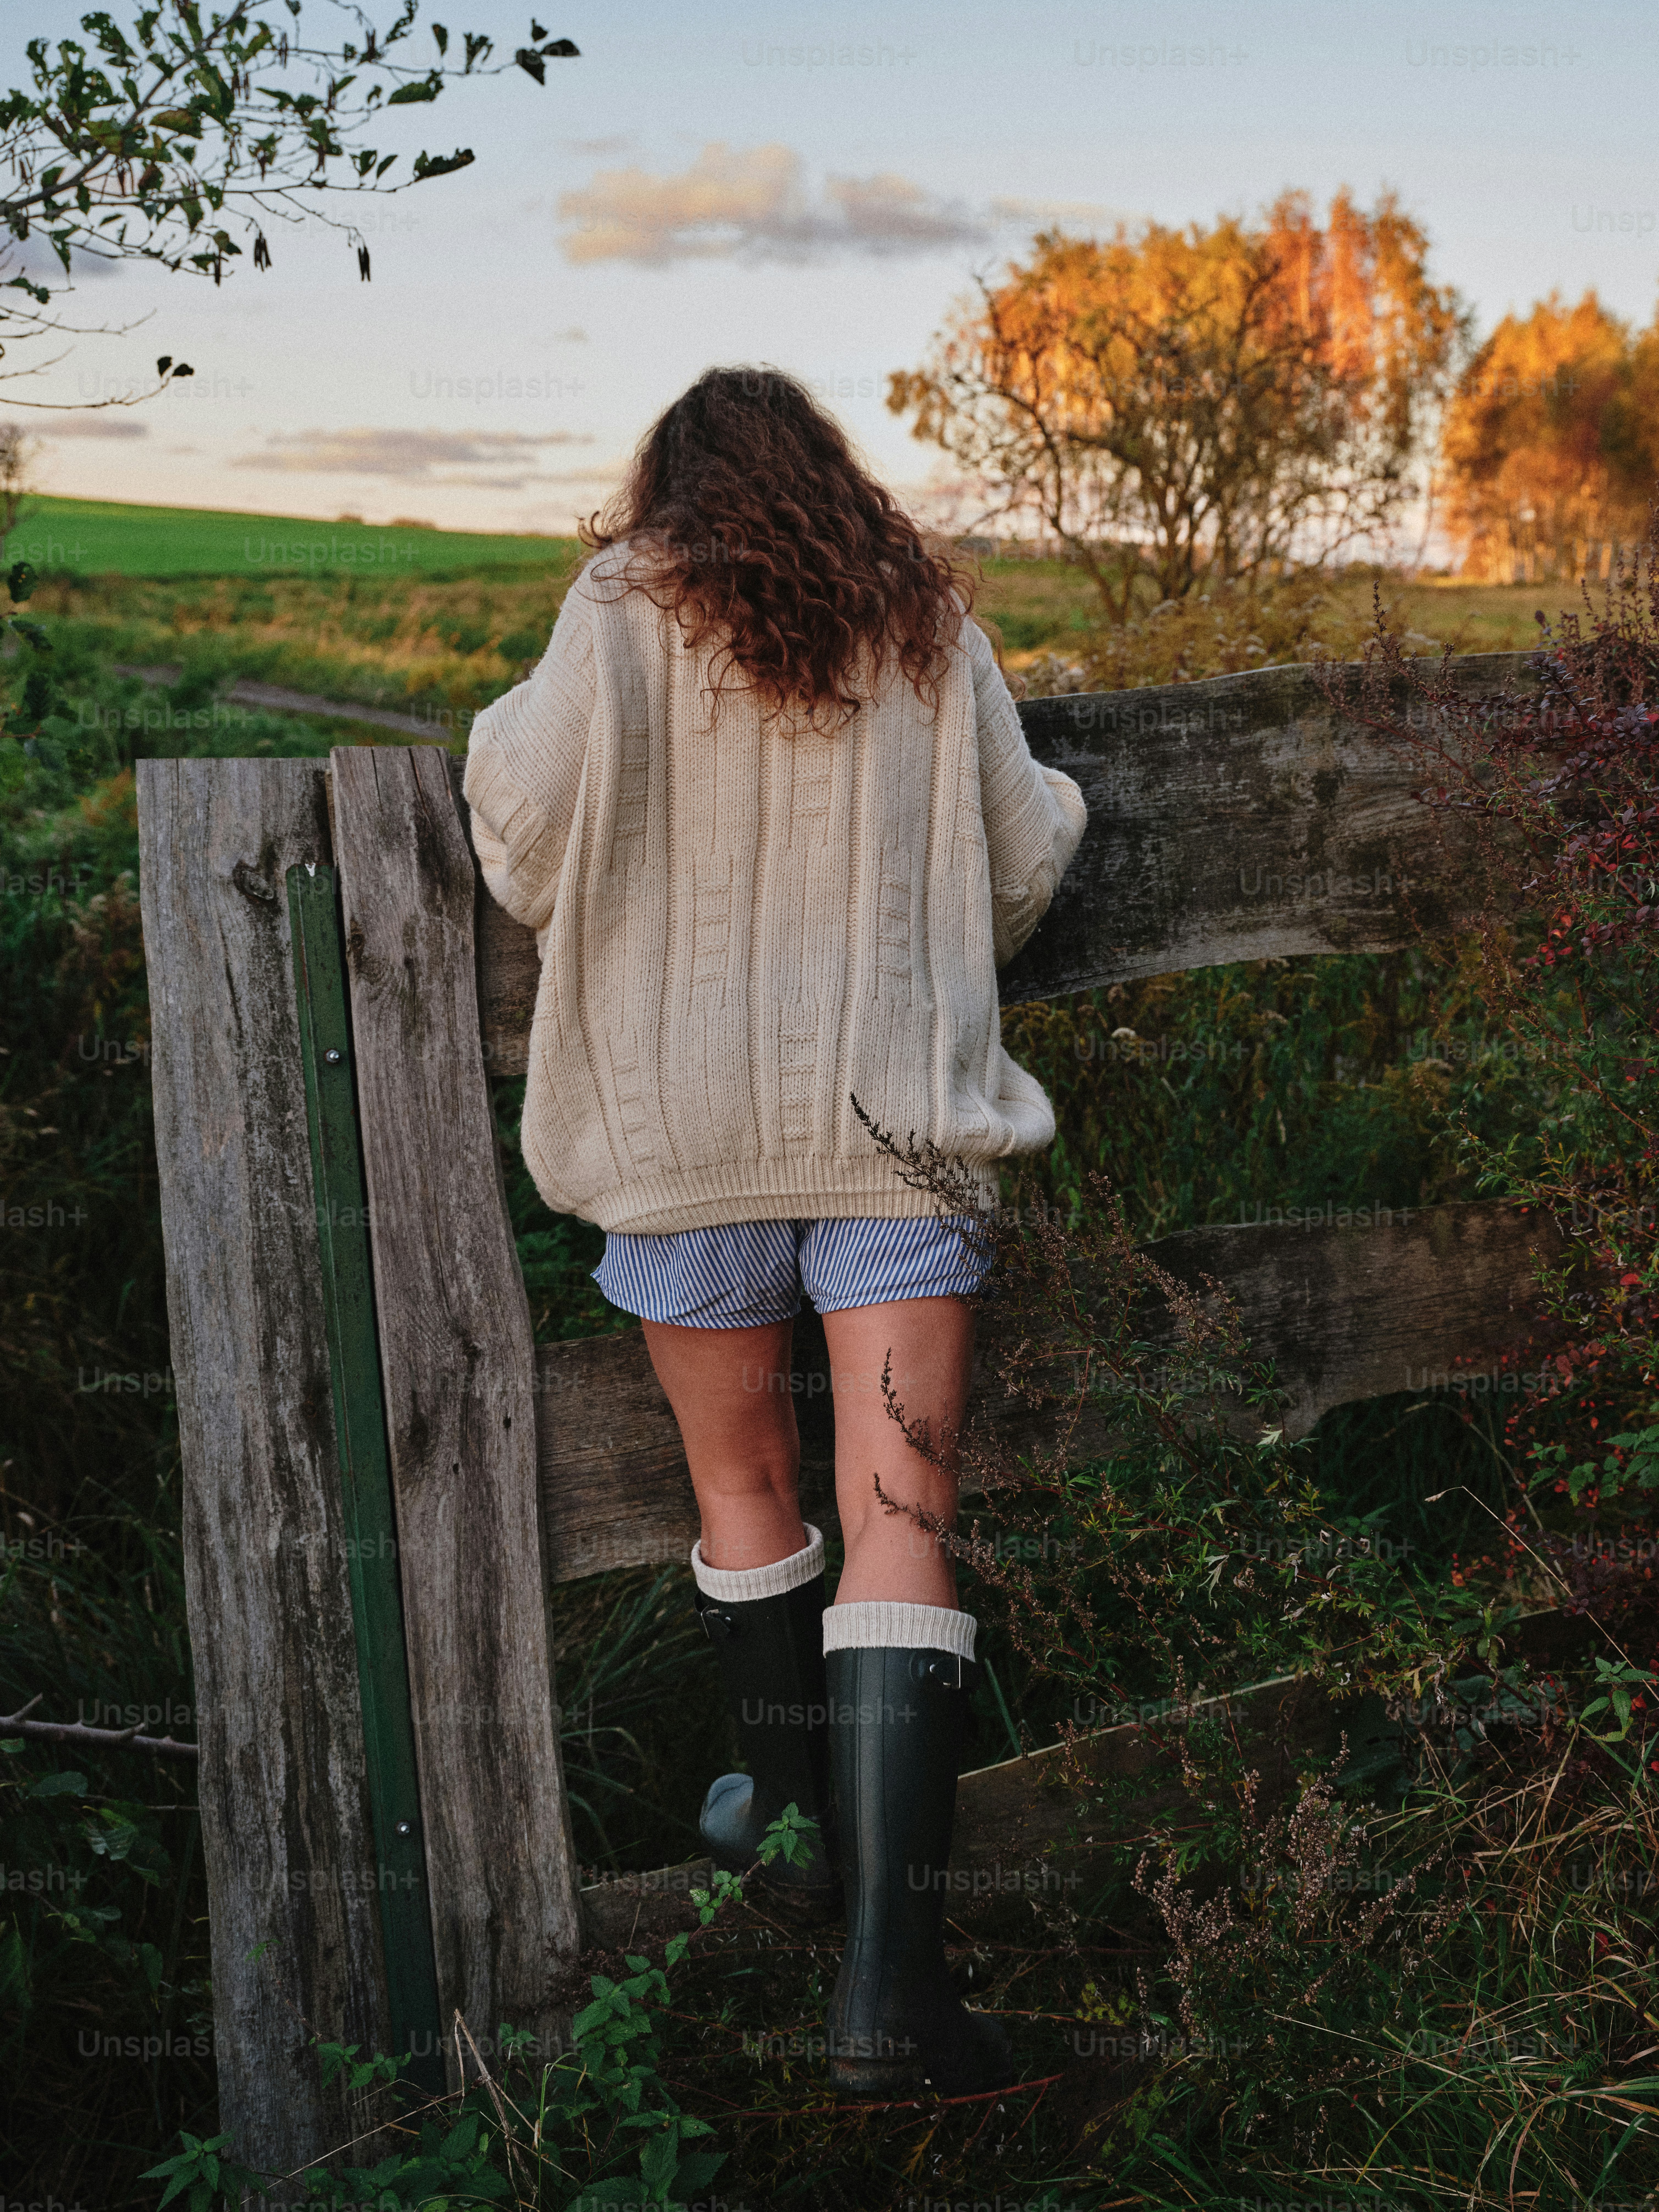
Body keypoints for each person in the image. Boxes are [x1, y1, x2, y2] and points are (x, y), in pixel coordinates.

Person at [463, 365, 1086, 2099]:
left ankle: (782, 1808)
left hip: (680, 1138)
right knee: (903, 1512)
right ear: (831, 475)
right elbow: (1026, 867)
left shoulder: (613, 605)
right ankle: (890, 1994)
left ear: (666, 486)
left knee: (747, 1490)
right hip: (893, 1133)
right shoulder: (922, 618)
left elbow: (516, 839)